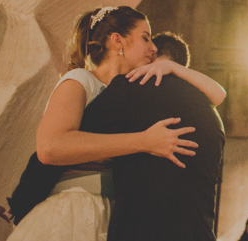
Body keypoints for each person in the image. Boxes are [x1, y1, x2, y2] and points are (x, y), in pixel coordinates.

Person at [6, 6, 199, 240]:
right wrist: (144, 141)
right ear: (118, 40)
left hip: (116, 214)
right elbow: (50, 147)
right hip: (74, 210)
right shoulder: (81, 80)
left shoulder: (132, 96)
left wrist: (173, 68)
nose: (154, 48)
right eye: (145, 38)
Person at [79, 30, 226, 241]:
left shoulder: (130, 87)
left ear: (152, 55)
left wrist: (27, 194)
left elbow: (74, 138)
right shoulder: (212, 116)